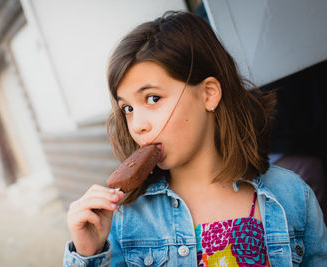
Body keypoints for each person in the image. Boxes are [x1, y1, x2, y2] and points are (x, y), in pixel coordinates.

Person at [64, 11, 327, 266]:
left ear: (209, 94)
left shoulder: (292, 195)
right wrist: (89, 254)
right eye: (128, 109)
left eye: (153, 98)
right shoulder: (124, 220)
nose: (138, 125)